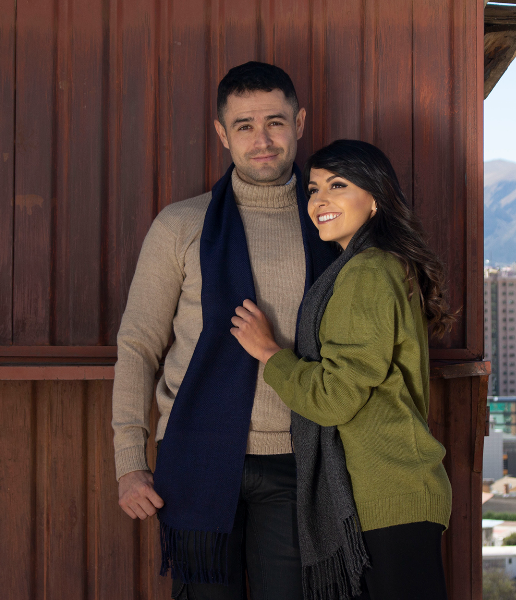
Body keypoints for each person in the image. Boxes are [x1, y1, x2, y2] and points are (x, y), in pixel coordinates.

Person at [112, 61, 337, 600]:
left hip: (297, 461)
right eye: (244, 125)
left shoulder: (330, 223)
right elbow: (138, 344)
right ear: (222, 133)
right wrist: (129, 463)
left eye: (275, 122)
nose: (262, 140)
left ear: (300, 123)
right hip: (196, 455)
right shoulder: (182, 225)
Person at [230, 139, 454, 600]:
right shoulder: (376, 265)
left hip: (390, 493)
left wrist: (269, 353)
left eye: (338, 185)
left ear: (375, 198)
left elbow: (335, 397)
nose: (320, 201)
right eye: (313, 189)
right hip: (393, 492)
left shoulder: (367, 272)